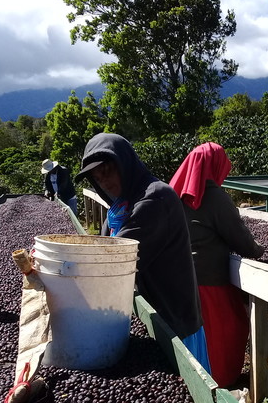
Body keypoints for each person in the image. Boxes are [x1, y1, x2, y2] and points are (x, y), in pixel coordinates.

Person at [74, 133, 210, 372]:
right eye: (96, 176)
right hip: (150, 318)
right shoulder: (119, 208)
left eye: (107, 170)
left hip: (174, 323)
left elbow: (112, 262)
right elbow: (103, 250)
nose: (103, 181)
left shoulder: (154, 199)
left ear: (125, 163)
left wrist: (62, 267)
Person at [169, 142, 265, 387]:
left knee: (193, 336)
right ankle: (217, 384)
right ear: (215, 165)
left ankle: (192, 380)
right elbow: (240, 239)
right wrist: (258, 249)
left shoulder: (173, 194)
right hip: (209, 282)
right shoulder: (213, 195)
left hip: (179, 280)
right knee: (227, 331)